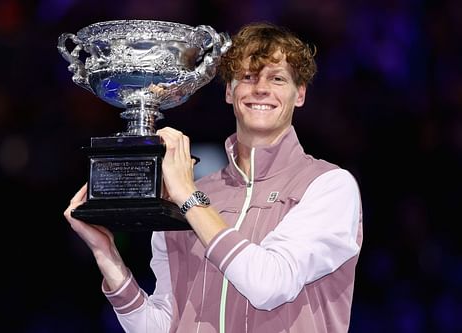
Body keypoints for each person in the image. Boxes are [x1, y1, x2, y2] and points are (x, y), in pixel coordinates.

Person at [65, 21, 363, 333]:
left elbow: (269, 285)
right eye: (248, 77)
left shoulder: (328, 186)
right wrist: (107, 255)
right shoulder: (193, 197)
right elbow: (163, 326)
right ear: (230, 91)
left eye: (277, 79)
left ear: (299, 94)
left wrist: (188, 197)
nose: (261, 89)